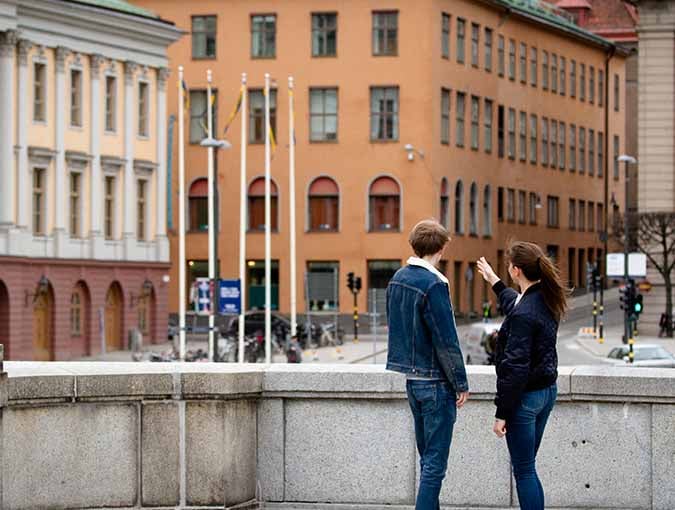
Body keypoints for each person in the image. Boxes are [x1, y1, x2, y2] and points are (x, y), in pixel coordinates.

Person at [476, 242, 568, 510]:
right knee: (528, 466)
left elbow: (514, 369)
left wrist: (501, 413)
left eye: (508, 267)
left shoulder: (524, 313)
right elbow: (514, 303)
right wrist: (494, 280)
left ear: (516, 270)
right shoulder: (546, 299)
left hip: (525, 399)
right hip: (546, 393)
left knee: (525, 471)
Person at [386, 219, 469, 510]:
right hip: (436, 383)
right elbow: (446, 338)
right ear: (442, 247)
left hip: (413, 381)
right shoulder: (434, 283)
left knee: (428, 460)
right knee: (435, 464)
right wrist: (461, 382)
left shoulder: (397, 278)